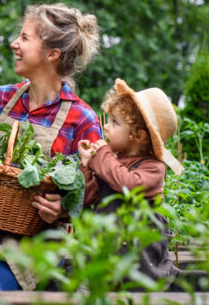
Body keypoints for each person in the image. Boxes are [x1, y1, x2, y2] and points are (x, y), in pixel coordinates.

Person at [0, 3, 104, 291]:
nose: (14, 43)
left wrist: (63, 208)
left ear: (51, 54)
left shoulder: (82, 118)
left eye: (25, 38)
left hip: (37, 235)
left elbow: (93, 195)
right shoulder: (0, 99)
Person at [78, 78, 184, 281]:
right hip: (107, 245)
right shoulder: (112, 162)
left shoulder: (154, 167)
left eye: (114, 122)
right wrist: (86, 164)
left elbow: (129, 185)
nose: (106, 127)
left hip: (139, 254)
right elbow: (89, 196)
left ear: (139, 136)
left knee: (136, 286)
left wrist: (102, 157)